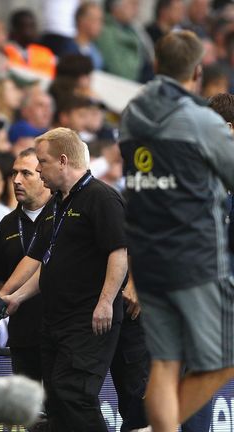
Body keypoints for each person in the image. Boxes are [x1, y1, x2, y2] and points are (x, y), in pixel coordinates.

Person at [119, 31, 234, 432]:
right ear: (198, 72)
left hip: (150, 260)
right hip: (195, 259)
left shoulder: (132, 116)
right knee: (225, 357)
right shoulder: (202, 121)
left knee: (165, 363)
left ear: (155, 66)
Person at [0, 127, 128, 431]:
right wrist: (16, 297)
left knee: (74, 393)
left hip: (89, 317)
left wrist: (106, 301)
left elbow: (118, 252)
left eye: (42, 162)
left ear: (63, 161)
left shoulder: (101, 197)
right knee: (55, 398)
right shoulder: (57, 204)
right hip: (56, 318)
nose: (39, 169)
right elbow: (47, 264)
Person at [0, 148, 50, 382]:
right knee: (27, 411)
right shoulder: (7, 224)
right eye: (14, 173)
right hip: (22, 334)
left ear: (44, 175)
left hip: (60, 332)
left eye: (26, 173)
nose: (17, 180)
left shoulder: (63, 214)